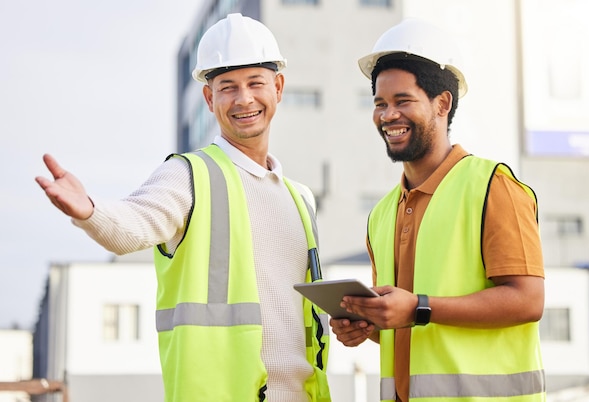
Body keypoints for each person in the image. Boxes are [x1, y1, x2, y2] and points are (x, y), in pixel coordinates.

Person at [35, 13, 331, 402]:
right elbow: (133, 226)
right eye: (227, 87)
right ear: (209, 98)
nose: (244, 99)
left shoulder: (300, 198)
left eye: (255, 83)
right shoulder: (189, 175)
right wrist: (89, 210)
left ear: (277, 87)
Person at [329, 18, 546, 402]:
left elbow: (528, 300)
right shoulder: (381, 214)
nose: (387, 115)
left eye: (402, 101)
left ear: (442, 103)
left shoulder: (493, 186)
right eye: (379, 103)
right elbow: (407, 324)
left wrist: (417, 308)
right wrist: (368, 326)